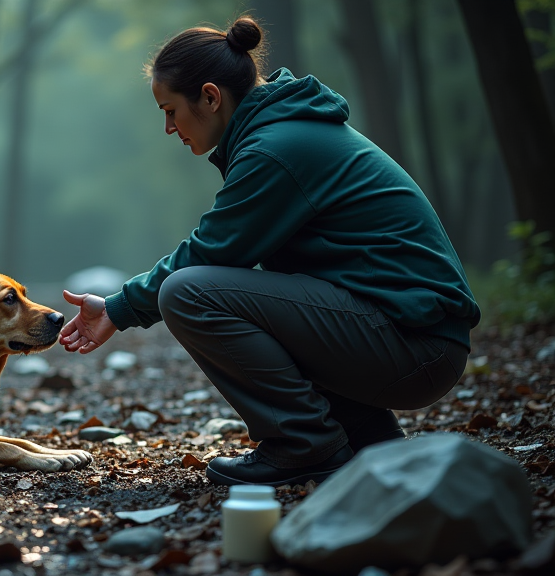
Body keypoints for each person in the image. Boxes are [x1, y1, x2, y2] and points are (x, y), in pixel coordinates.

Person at [59, 16, 480, 487]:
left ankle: (304, 444)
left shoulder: (275, 148)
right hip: (409, 336)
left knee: (188, 292)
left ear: (211, 97)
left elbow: (209, 254)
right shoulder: (283, 131)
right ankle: (361, 434)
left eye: (170, 110)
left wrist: (119, 307)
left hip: (415, 345)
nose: (168, 127)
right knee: (255, 295)